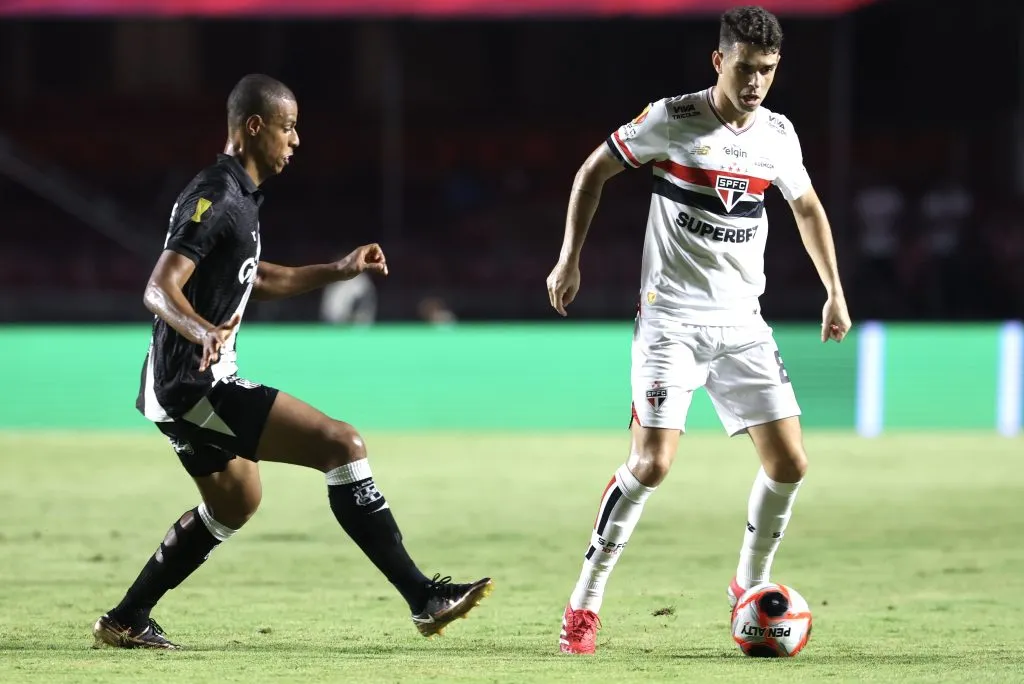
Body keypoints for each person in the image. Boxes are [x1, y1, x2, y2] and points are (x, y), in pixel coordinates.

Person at [92, 74, 492, 650]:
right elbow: (159, 287)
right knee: (342, 444)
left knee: (236, 502)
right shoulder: (218, 194)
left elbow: (260, 278)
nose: (296, 140)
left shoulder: (240, 197)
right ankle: (422, 597)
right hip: (195, 383)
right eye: (288, 127)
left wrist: (339, 269)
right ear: (254, 127)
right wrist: (202, 330)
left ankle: (126, 619)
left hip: (181, 382)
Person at [545, 6, 851, 655]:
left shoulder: (777, 135)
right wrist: (570, 257)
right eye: (745, 68)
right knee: (651, 465)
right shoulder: (672, 118)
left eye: (767, 70)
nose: (755, 83)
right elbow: (590, 173)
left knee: (790, 462)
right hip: (671, 321)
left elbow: (807, 207)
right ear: (719, 61)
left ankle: (749, 585)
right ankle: (585, 602)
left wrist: (834, 291)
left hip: (743, 324)